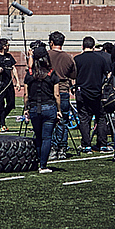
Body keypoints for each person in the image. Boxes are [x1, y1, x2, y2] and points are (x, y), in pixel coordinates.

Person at [23, 42, 61, 173]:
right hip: (49, 107)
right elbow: (56, 94)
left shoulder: (29, 74)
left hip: (34, 108)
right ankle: (43, 165)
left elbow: (26, 94)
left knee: (38, 136)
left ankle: (39, 160)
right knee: (47, 137)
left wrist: (26, 109)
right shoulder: (52, 73)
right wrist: (59, 110)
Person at [74, 36, 110, 153]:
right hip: (97, 92)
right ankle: (103, 144)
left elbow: (73, 75)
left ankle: (86, 145)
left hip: (82, 91)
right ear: (93, 47)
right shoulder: (100, 59)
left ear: (82, 46)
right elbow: (108, 74)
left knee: (84, 119)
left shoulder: (77, 59)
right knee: (100, 118)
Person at [47, 31, 77, 159]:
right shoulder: (68, 57)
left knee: (50, 122)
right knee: (63, 121)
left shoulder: (46, 55)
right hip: (64, 90)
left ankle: (52, 148)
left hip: (48, 91)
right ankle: (62, 148)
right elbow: (74, 75)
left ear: (51, 42)